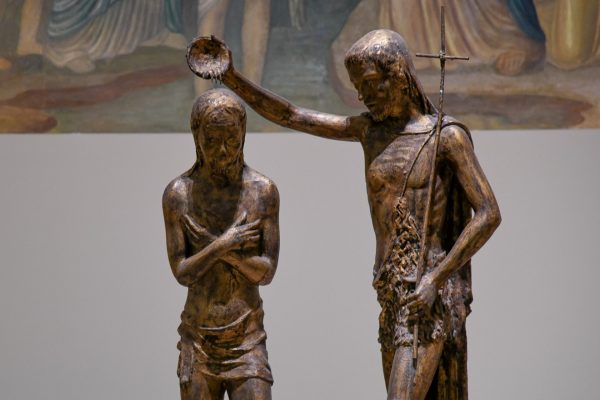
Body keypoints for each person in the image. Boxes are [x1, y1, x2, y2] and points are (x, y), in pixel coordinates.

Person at [195, 30, 501, 399]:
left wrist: (437, 278)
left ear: (399, 75)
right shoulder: (369, 131)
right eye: (359, 87)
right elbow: (293, 115)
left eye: (370, 84)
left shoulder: (445, 137)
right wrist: (231, 78)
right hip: (389, 291)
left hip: (425, 292)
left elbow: (488, 213)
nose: (363, 96)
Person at [162, 89, 279, 400]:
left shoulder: (262, 191)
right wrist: (225, 244)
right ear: (196, 136)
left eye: (231, 139)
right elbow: (183, 272)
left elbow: (266, 272)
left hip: (248, 339)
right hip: (198, 339)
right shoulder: (178, 194)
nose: (222, 150)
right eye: (212, 141)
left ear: (242, 134)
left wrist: (218, 249)